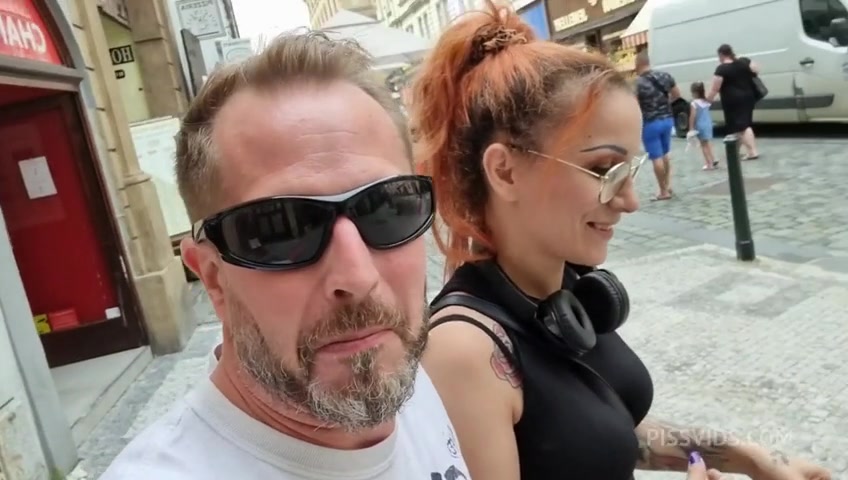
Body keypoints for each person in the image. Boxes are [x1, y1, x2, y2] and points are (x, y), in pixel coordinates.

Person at [411, 3, 832, 480]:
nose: (631, 201)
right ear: (505, 171)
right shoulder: (464, 352)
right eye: (602, 170)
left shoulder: (568, 290)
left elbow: (596, 438)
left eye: (630, 169)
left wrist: (749, 458)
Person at [99, 32, 469, 480]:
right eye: (284, 229)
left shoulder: (408, 380)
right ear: (212, 278)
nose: (357, 276)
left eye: (388, 206)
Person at [634, 50, 679, 201]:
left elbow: (635, 105)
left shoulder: (637, 83)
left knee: (656, 157)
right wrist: (665, 105)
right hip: (667, 119)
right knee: (665, 154)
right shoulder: (665, 76)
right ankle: (668, 184)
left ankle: (663, 191)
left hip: (650, 123)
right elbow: (677, 95)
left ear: (638, 64)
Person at [707, 43, 761, 159]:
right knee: (736, 126)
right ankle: (735, 152)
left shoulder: (722, 69)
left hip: (733, 101)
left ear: (721, 55)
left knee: (743, 126)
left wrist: (707, 101)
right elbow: (756, 70)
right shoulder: (743, 62)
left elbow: (715, 88)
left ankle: (752, 151)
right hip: (748, 97)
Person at [687, 81, 719, 170]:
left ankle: (709, 164)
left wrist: (691, 128)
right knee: (708, 142)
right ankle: (713, 159)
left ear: (695, 93)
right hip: (708, 124)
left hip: (700, 125)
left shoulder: (694, 103)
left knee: (703, 145)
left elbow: (692, 116)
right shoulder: (706, 102)